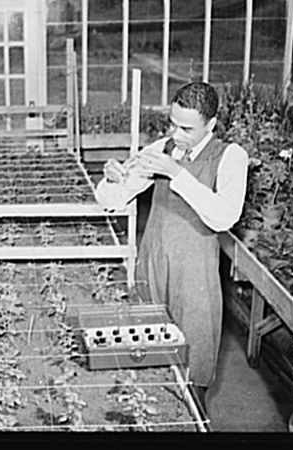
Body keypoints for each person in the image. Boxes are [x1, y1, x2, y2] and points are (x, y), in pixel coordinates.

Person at [95, 82, 249, 415]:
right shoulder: (161, 148)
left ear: (210, 124)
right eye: (172, 123)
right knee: (149, 371)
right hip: (153, 270)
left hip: (195, 283)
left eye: (186, 128)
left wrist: (177, 174)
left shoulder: (230, 157)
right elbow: (111, 200)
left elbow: (224, 215)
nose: (175, 134)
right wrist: (112, 177)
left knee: (191, 380)